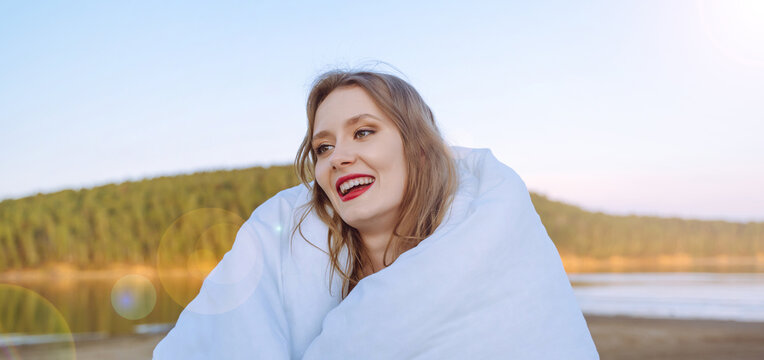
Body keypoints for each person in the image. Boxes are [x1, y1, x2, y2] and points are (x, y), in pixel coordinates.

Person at [154, 69, 599, 359]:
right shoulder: (288, 252)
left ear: (417, 147)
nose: (338, 157)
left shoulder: (486, 249)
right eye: (323, 147)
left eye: (363, 132)